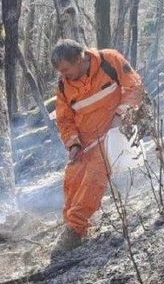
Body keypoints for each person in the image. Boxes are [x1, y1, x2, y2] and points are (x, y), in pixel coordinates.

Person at [50, 39, 145, 256]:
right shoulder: (64, 85)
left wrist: (122, 116)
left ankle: (75, 228)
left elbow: (134, 86)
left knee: (95, 173)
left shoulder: (109, 60)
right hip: (86, 139)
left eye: (66, 69)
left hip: (115, 132)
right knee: (73, 177)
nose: (64, 75)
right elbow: (64, 120)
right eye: (60, 71)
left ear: (80, 58)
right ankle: (70, 225)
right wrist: (73, 143)